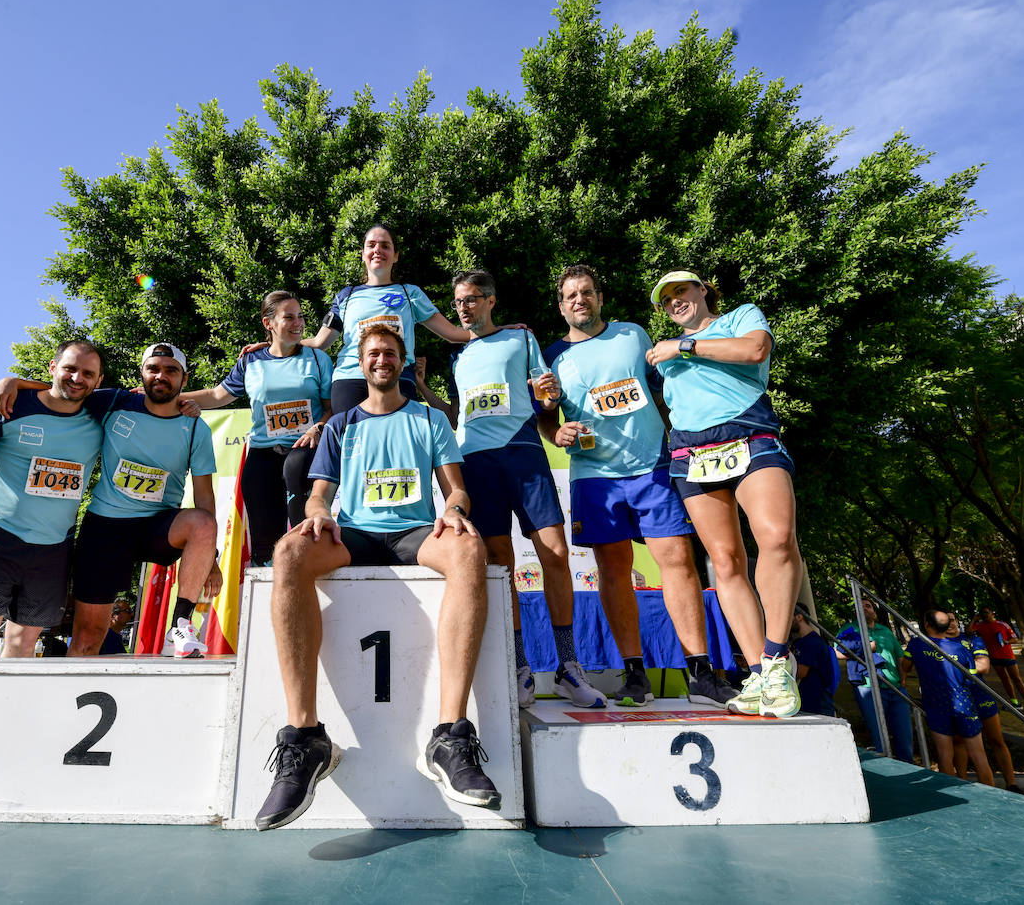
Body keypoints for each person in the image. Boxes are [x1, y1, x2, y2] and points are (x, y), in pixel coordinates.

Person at [254, 324, 499, 830]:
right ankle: (306, 739)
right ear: (361, 364)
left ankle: (450, 736)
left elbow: (456, 491)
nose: (381, 360)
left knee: (471, 548)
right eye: (372, 354)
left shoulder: (430, 419)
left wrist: (453, 510)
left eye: (389, 352)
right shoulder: (342, 423)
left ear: (402, 362)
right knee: (288, 552)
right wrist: (317, 511)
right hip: (357, 535)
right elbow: (319, 493)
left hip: (414, 533)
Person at [538, 265, 738, 708]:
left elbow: (664, 387)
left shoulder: (634, 335)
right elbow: (546, 417)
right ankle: (633, 674)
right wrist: (558, 434)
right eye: (571, 295)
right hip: (594, 476)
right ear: (561, 305)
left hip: (651, 465)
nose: (579, 300)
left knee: (677, 561)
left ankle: (700, 671)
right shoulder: (552, 356)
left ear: (600, 297)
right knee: (614, 570)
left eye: (587, 292)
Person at [413, 269, 606, 708]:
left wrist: (551, 396)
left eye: (472, 299)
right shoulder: (458, 356)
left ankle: (568, 667)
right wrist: (423, 387)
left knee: (554, 554)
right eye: (458, 301)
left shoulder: (520, 338)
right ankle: (521, 666)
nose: (463, 307)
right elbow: (457, 413)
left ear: (491, 300)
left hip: (522, 452)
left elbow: (545, 395)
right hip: (477, 463)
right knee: (500, 564)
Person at [0, 339, 115, 803]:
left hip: (54, 547)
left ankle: (4, 745)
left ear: (98, 381)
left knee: (23, 642)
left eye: (89, 375)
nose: (78, 380)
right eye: (70, 369)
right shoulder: (8, 404)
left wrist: (17, 377)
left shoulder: (98, 413)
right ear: (52, 367)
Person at [0, 342, 220, 657]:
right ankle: (67, 703)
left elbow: (205, 495)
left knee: (203, 523)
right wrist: (13, 382)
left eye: (171, 370)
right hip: (106, 527)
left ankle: (180, 624)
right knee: (88, 637)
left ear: (184, 378)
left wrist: (212, 559)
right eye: (154, 368)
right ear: (142, 373)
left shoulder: (195, 427)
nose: (161, 376)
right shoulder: (115, 402)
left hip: (159, 527)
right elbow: (66, 389)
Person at [645, 269, 803, 717]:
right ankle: (757, 672)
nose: (675, 301)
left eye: (682, 291)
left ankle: (776, 657)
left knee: (776, 538)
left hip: (749, 436)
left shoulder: (738, 318)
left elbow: (756, 350)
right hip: (692, 453)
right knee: (725, 561)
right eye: (667, 298)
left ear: (702, 290)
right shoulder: (659, 353)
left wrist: (687, 345)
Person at [187, 292, 334, 565]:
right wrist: (169, 398)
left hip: (304, 452)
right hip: (262, 455)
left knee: (305, 537)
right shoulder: (250, 361)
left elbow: (332, 407)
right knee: (265, 548)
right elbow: (217, 396)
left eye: (300, 316)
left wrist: (318, 428)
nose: (298, 323)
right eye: (288, 317)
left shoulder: (317, 359)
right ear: (269, 323)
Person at [283, 224, 479, 414]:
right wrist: (273, 345)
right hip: (351, 379)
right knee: (351, 444)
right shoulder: (346, 296)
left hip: (398, 377)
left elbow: (453, 334)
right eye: (371, 245)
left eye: (385, 245)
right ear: (362, 254)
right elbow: (319, 342)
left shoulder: (410, 293)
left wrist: (500, 331)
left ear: (395, 256)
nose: (378, 250)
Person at [901, 609, 993, 785]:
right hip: (965, 704)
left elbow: (905, 665)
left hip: (936, 706)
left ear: (927, 625)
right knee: (979, 756)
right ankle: (995, 799)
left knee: (945, 757)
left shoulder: (916, 644)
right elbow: (972, 676)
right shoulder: (961, 647)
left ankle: (953, 797)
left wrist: (903, 678)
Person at [835, 598, 914, 763]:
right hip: (868, 687)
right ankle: (888, 772)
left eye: (868, 606)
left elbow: (899, 657)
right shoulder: (849, 629)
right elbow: (837, 652)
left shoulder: (885, 631)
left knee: (904, 737)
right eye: (860, 606)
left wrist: (903, 680)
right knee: (880, 736)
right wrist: (865, 647)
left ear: (875, 612)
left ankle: (908, 769)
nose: (864, 608)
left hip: (896, 688)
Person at [950, 616, 1021, 792]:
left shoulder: (973, 639)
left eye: (952, 619)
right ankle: (962, 782)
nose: (950, 623)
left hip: (980, 695)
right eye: (945, 620)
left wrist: (951, 668)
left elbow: (983, 666)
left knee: (997, 740)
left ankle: (1012, 784)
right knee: (959, 741)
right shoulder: (938, 644)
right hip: (957, 699)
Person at [969, 607, 1024, 709]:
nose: (984, 615)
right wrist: (974, 619)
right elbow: (968, 631)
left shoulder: (1002, 625)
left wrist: (1007, 642)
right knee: (1004, 679)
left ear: (992, 613)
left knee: (1017, 679)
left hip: (1008, 656)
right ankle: (1014, 702)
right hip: (994, 657)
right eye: (982, 613)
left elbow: (1015, 639)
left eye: (986, 612)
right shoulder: (979, 626)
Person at [790, 606, 838, 716]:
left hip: (818, 703)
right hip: (804, 700)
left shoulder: (813, 642)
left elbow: (801, 672)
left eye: (790, 617)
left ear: (799, 617)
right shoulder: (798, 642)